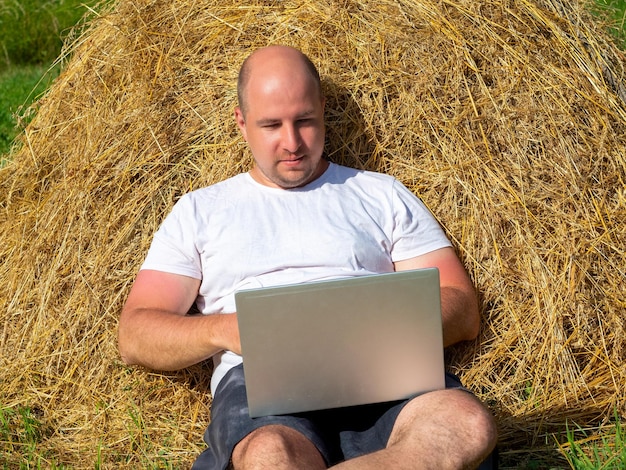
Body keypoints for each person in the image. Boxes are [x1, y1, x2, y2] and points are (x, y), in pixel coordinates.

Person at [118, 45, 498, 469]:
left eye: (304, 121)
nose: (293, 142)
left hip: (383, 366)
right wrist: (231, 330)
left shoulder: (380, 194)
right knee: (269, 455)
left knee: (465, 422)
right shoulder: (200, 211)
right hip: (262, 383)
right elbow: (135, 334)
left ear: (322, 110)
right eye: (271, 125)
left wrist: (380, 327)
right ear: (241, 123)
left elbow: (462, 308)